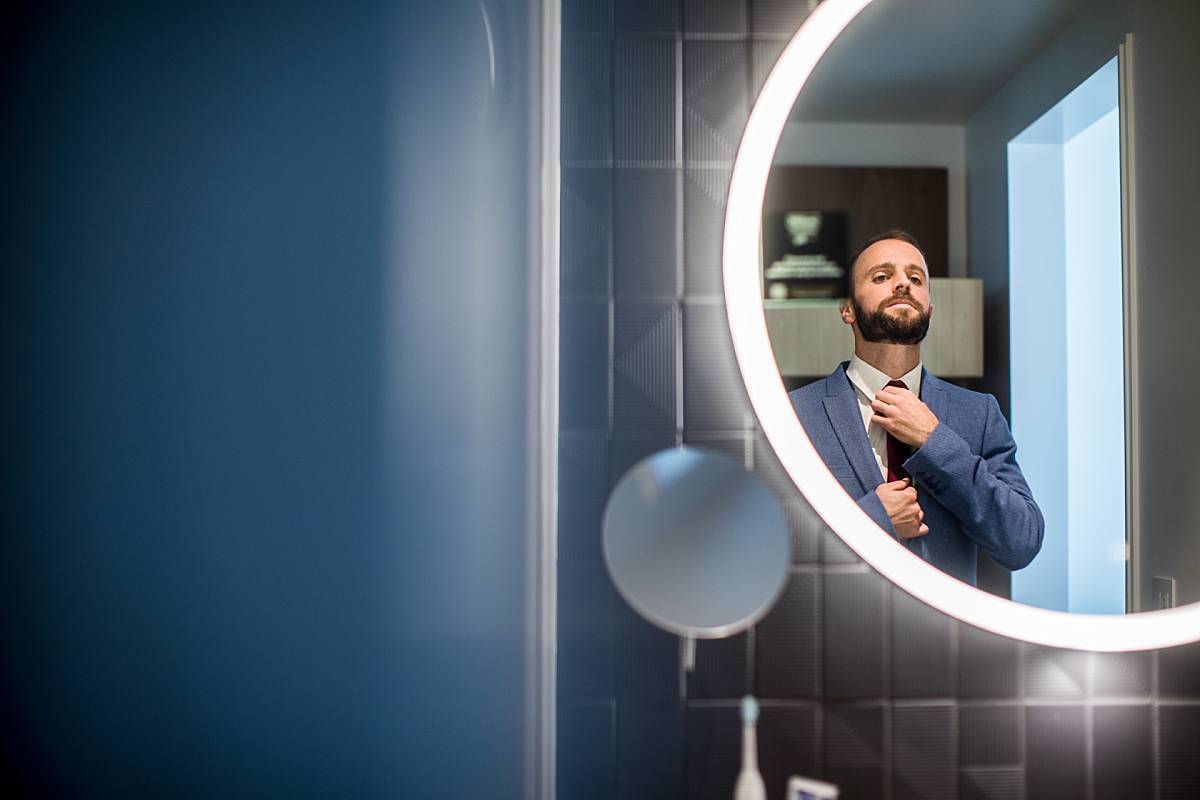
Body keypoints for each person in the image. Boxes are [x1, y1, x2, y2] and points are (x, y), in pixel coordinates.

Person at [788, 230, 1043, 585]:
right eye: (881, 276)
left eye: (915, 278)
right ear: (847, 309)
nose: (902, 284)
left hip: (946, 638)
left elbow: (1021, 541)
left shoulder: (979, 414)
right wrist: (874, 519)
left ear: (930, 308)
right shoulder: (795, 415)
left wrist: (935, 441)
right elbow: (773, 547)